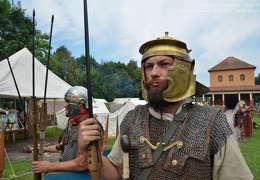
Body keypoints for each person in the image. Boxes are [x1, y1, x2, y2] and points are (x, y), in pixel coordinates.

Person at [78, 32, 253, 179]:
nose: (154, 72)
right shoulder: (133, 118)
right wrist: (88, 151)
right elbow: (116, 173)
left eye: (164, 64)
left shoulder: (212, 123)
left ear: (185, 70)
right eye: (149, 66)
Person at [32, 86, 103, 174]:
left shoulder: (91, 127)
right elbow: (63, 145)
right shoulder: (72, 123)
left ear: (79, 103)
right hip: (68, 172)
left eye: (67, 101)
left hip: (81, 176)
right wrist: (45, 148)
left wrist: (50, 166)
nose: (65, 105)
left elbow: (82, 164)